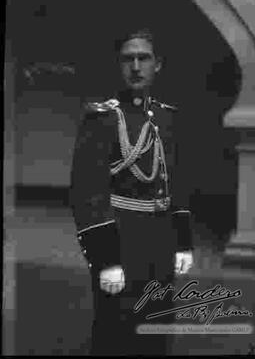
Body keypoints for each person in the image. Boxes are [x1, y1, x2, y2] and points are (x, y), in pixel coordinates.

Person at [70, 28, 194, 355]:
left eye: (144, 58)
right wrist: (106, 259)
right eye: (128, 59)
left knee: (156, 326)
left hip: (162, 240)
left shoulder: (167, 117)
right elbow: (88, 192)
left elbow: (177, 181)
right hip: (122, 239)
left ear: (158, 65)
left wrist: (182, 241)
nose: (136, 66)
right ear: (119, 65)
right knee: (116, 329)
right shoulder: (103, 118)